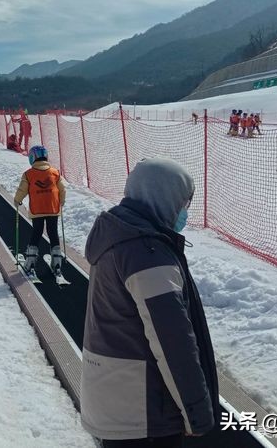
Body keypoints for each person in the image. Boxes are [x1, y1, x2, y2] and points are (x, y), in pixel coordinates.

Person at [81, 158, 218, 447]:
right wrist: (196, 412)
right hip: (143, 413)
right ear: (166, 198)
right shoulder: (147, 253)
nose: (184, 212)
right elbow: (172, 341)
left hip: (118, 399)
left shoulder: (120, 235)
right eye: (184, 203)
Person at [13, 145, 66, 275]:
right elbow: (62, 188)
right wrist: (62, 201)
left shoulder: (28, 174)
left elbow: (22, 190)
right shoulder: (54, 172)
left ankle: (30, 261)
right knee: (52, 231)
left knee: (37, 232)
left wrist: (17, 200)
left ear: (33, 158)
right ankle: (57, 261)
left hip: (37, 209)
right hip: (53, 208)